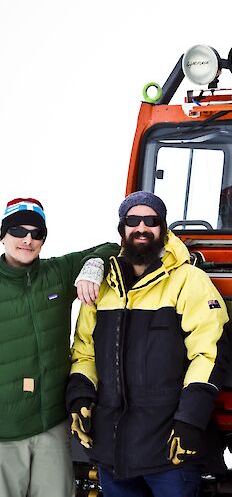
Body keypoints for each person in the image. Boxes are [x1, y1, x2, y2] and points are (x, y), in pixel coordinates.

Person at [66, 191, 229, 496]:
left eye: (151, 220)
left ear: (163, 229)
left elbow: (209, 353)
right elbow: (84, 350)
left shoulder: (188, 281)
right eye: (133, 220)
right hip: (112, 450)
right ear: (122, 229)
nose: (142, 227)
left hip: (169, 450)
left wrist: (190, 421)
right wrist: (80, 399)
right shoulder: (103, 286)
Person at [0, 197, 120, 497]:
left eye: (37, 233)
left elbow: (111, 247)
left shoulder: (57, 273)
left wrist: (94, 264)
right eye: (18, 230)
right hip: (4, 430)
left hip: (51, 425)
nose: (27, 239)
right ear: (3, 234)